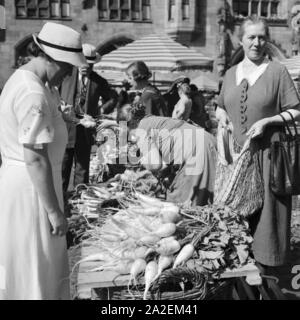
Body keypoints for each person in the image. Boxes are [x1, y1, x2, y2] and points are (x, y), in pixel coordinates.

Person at [0, 22, 87, 300]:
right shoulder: (33, 92)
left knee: (32, 262)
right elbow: (35, 157)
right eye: (68, 67)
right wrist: (53, 212)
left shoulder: (33, 82)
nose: (69, 73)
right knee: (35, 262)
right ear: (55, 60)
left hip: (31, 184)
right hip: (33, 189)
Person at [216, 17, 300, 269]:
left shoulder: (277, 71)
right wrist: (221, 116)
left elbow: (295, 111)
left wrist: (267, 122)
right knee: (235, 217)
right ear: (241, 40)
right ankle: (240, 275)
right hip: (237, 158)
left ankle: (270, 273)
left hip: (268, 157)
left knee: (268, 219)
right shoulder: (231, 73)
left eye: (262, 37)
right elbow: (221, 106)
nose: (257, 42)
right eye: (251, 37)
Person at [125, 102, 217, 206]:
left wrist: (142, 160)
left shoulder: (141, 128)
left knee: (183, 207)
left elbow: (155, 164)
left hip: (196, 150)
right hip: (209, 141)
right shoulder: (156, 120)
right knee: (208, 198)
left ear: (128, 124)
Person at [60, 43, 117, 193]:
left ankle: (79, 200)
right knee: (63, 167)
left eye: (90, 64)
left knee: (82, 168)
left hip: (86, 130)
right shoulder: (65, 75)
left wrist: (101, 109)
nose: (86, 66)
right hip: (66, 128)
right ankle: (60, 200)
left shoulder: (99, 81)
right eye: (83, 62)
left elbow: (113, 98)